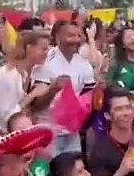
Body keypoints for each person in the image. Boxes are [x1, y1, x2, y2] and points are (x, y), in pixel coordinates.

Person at [31, 20, 97, 155]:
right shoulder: (45, 62)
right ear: (57, 37)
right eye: (70, 36)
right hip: (48, 131)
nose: (76, 40)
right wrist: (53, 90)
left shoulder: (84, 64)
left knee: (74, 167)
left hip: (72, 132)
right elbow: (35, 104)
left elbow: (88, 100)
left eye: (79, 36)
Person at [0, 30, 48, 129]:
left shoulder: (35, 71)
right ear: (29, 48)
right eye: (43, 49)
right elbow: (7, 114)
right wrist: (32, 95)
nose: (47, 53)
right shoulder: (9, 74)